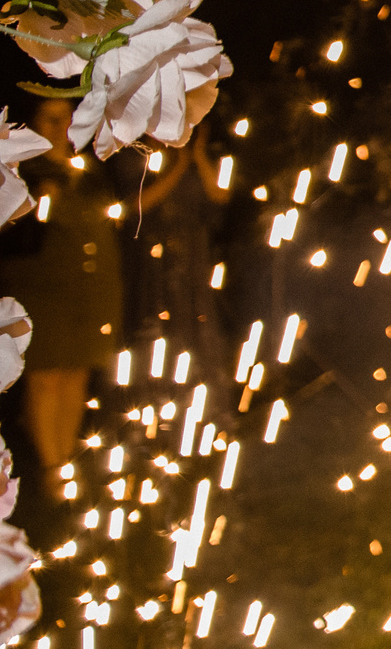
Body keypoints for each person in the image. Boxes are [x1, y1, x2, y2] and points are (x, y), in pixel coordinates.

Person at [5, 100, 123, 482]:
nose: (61, 126)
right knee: (45, 377)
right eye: (51, 119)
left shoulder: (89, 173)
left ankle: (66, 462)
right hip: (41, 289)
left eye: (67, 117)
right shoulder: (20, 169)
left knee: (75, 373)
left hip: (89, 291)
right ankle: (51, 470)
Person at [129, 126, 232, 419]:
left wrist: (196, 156)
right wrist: (177, 169)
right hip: (156, 264)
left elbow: (220, 195)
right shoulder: (142, 161)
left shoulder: (202, 161)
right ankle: (152, 410)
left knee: (198, 330)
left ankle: (205, 414)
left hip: (193, 262)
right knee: (158, 333)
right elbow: (135, 207)